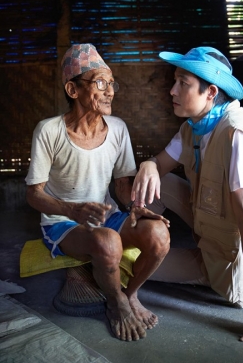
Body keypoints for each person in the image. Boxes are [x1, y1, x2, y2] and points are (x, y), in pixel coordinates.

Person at [131, 46, 243, 345]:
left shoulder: (237, 138)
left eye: (183, 83)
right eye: (175, 81)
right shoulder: (193, 128)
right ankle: (139, 230)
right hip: (206, 228)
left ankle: (132, 248)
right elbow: (160, 164)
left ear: (210, 92)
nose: (172, 90)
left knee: (128, 263)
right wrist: (148, 164)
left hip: (223, 264)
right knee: (158, 179)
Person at [25, 43, 170, 342]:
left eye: (111, 83)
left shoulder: (117, 128)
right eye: (100, 83)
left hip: (106, 216)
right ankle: (115, 304)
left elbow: (121, 184)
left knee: (159, 234)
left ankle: (129, 295)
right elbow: (34, 195)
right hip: (62, 223)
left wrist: (135, 206)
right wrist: (71, 210)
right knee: (107, 242)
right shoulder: (49, 130)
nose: (110, 91)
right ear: (73, 89)